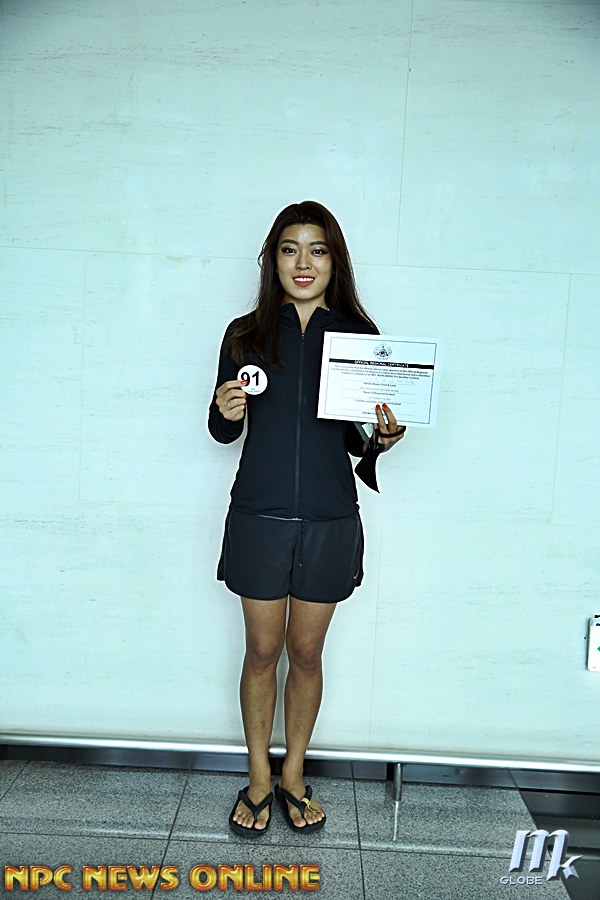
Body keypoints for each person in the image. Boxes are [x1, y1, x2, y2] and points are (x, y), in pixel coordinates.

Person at [208, 200, 406, 836]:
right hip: (259, 515)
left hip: (328, 519)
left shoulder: (357, 337)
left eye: (317, 250)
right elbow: (222, 429)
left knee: (307, 652)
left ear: (333, 261)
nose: (303, 262)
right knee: (262, 650)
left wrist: (381, 439)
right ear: (272, 259)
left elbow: (356, 438)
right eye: (289, 248)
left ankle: (293, 774)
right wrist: (224, 412)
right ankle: (258, 778)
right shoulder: (244, 334)